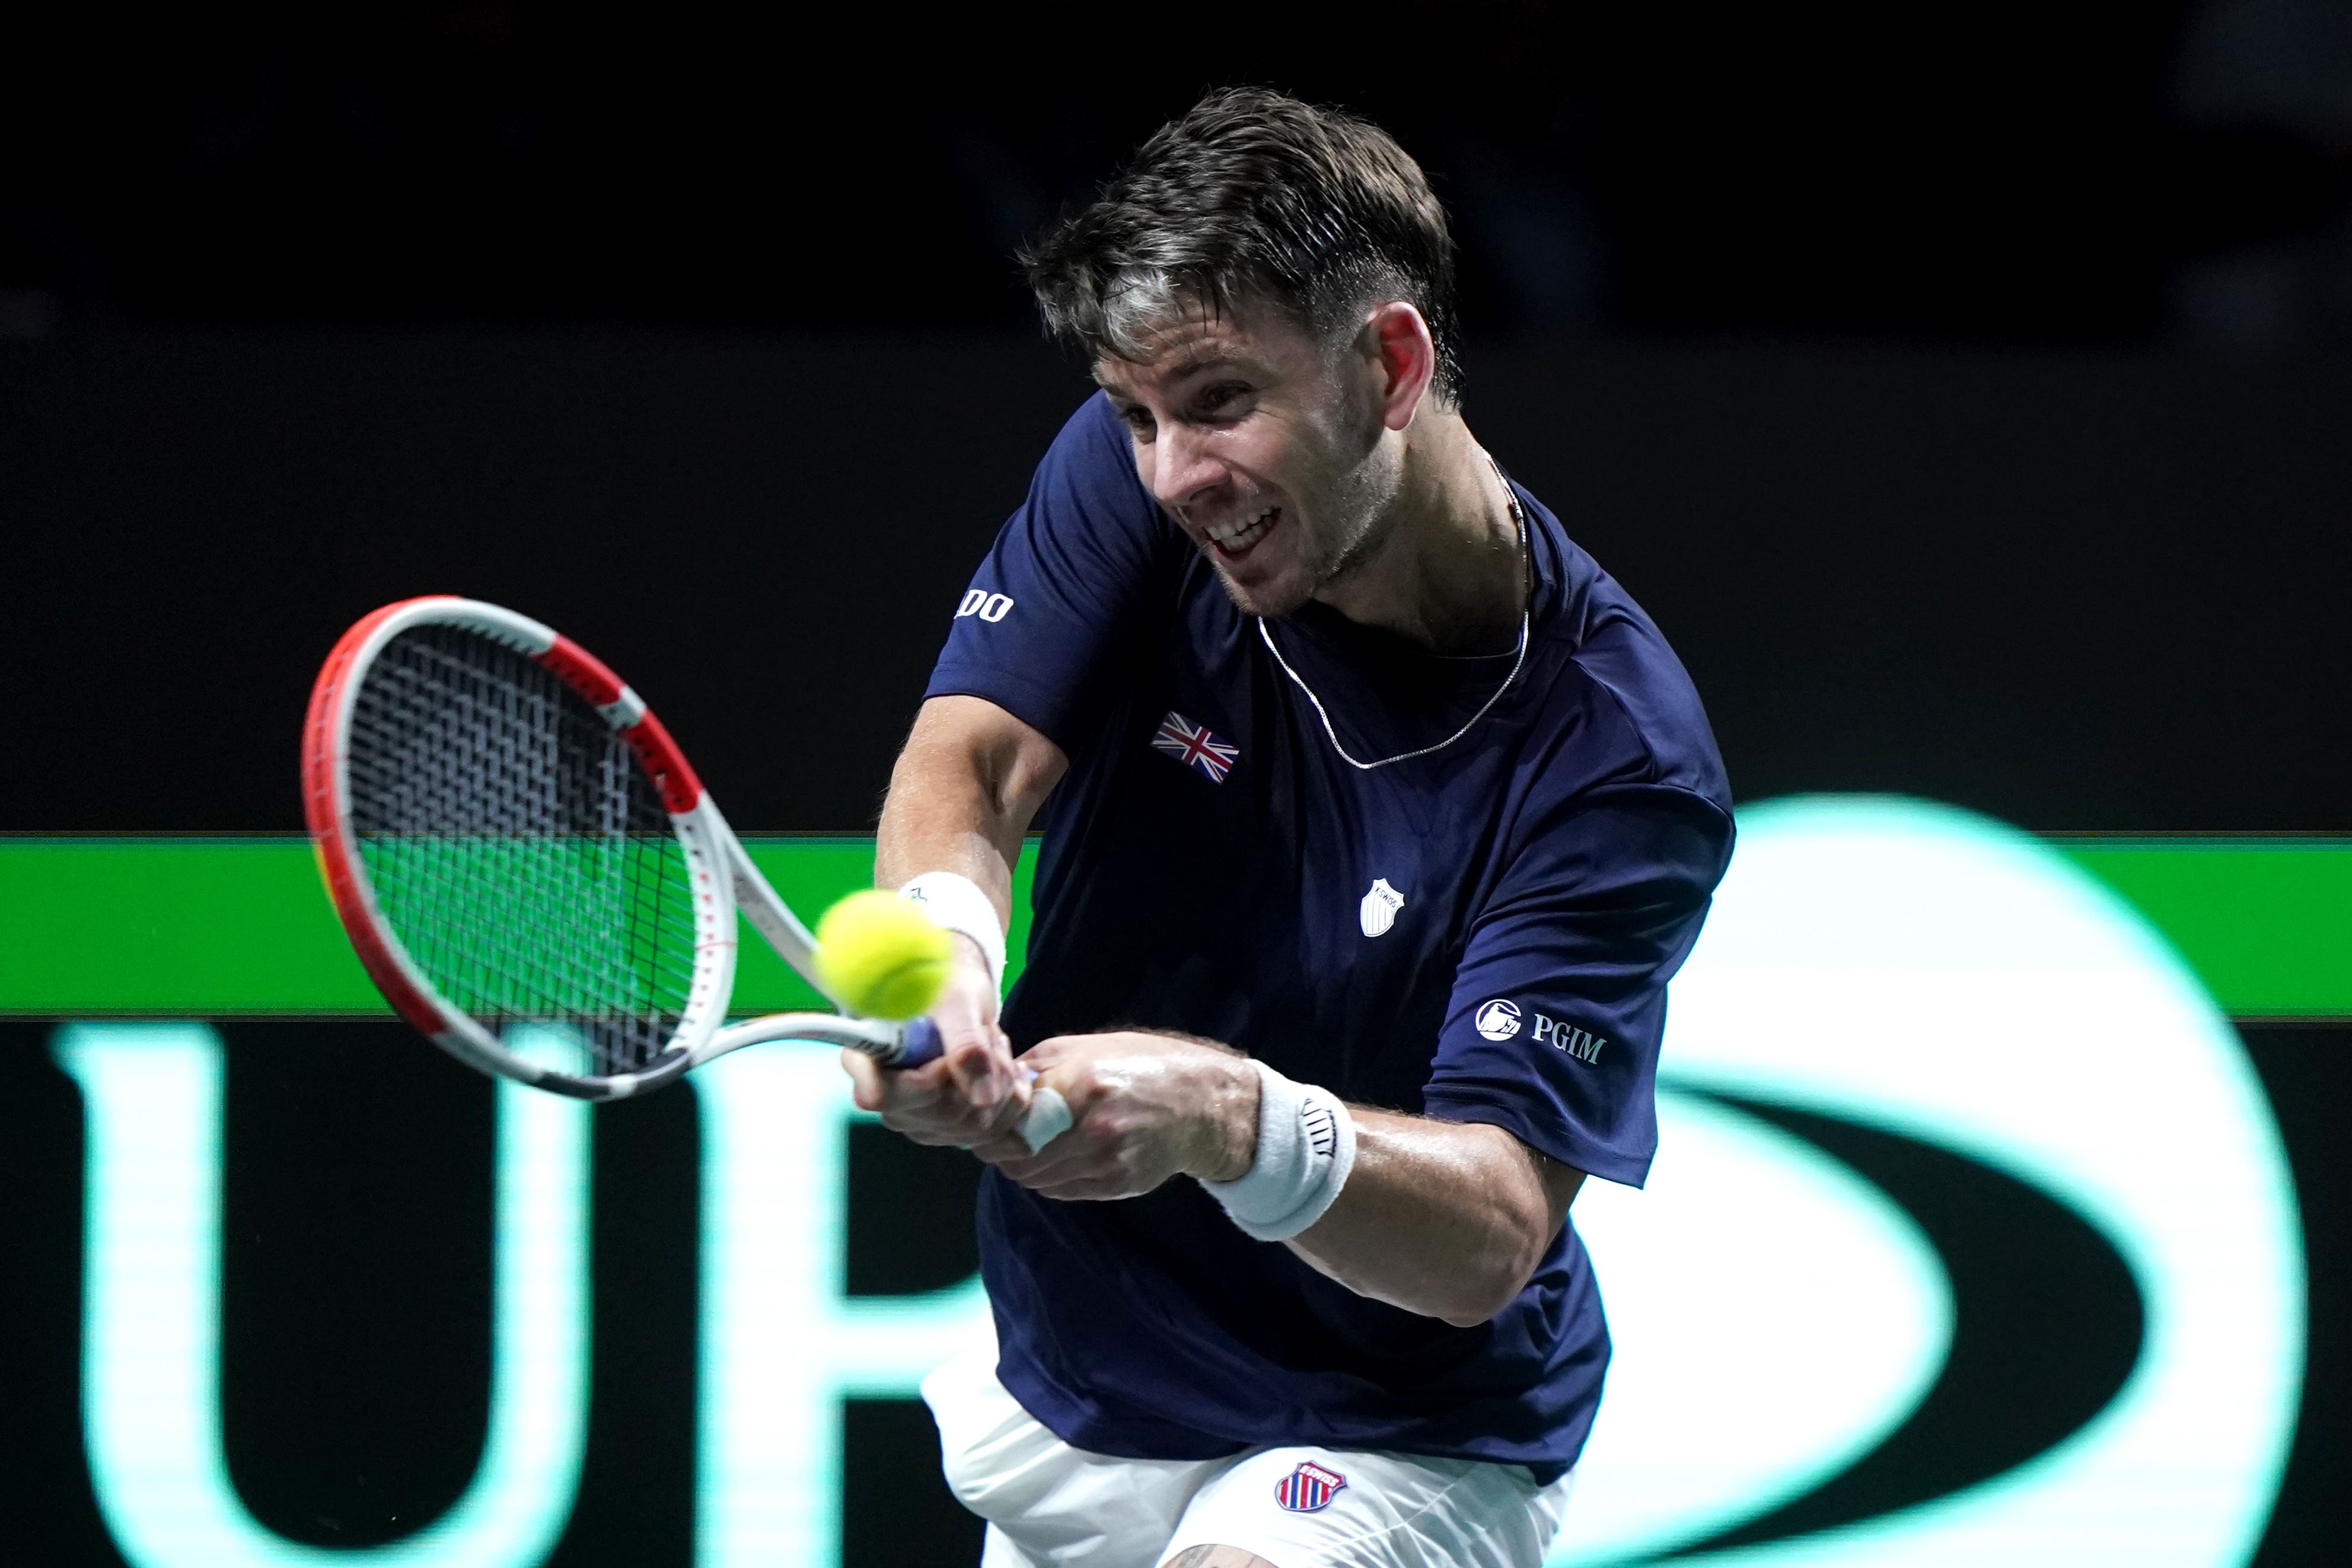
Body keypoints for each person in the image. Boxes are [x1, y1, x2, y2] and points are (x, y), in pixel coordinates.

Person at [840, 87, 1734, 1568]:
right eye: (1136, 416)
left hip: (1390, 1416)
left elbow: (1493, 1231)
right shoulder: (1140, 482)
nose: (1176, 473)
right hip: (1091, 1361)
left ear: (1390, 365)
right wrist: (946, 949)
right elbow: (978, 763)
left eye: (1219, 404)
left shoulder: (1614, 756)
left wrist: (1231, 1118)